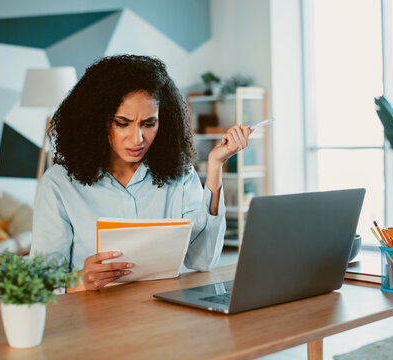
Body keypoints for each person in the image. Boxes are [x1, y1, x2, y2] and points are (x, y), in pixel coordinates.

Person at [30, 55, 252, 291]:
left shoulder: (180, 175)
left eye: (148, 124)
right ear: (96, 121)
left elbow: (203, 261)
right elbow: (39, 282)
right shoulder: (58, 184)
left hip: (163, 316)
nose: (137, 139)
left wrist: (216, 165)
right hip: (93, 319)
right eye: (122, 123)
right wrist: (78, 281)